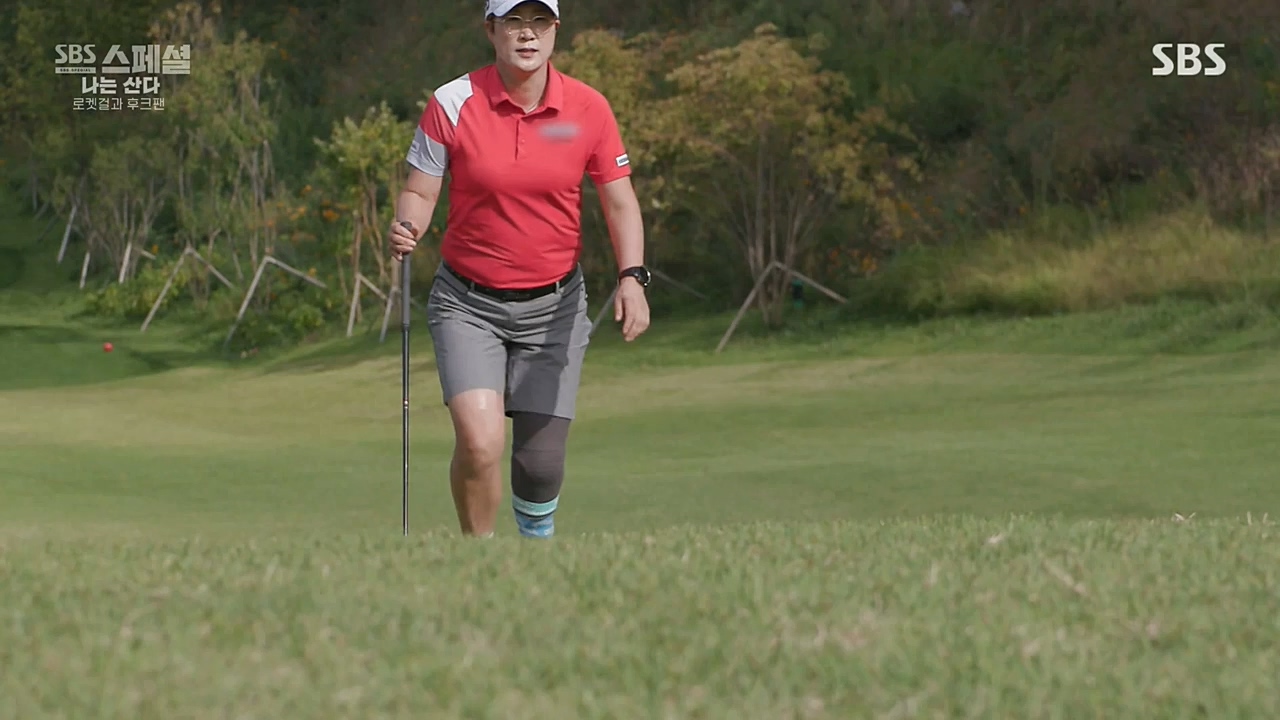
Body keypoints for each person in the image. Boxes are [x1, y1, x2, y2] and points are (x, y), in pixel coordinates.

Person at [388, 0, 651, 539]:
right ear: (491, 30)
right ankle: (480, 557)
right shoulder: (452, 102)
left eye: (539, 22)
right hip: (467, 304)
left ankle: (534, 553)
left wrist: (633, 277)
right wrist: (407, 225)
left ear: (555, 30)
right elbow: (420, 190)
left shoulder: (588, 108)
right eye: (513, 22)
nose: (527, 35)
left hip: (555, 309)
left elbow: (620, 201)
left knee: (539, 464)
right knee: (480, 443)